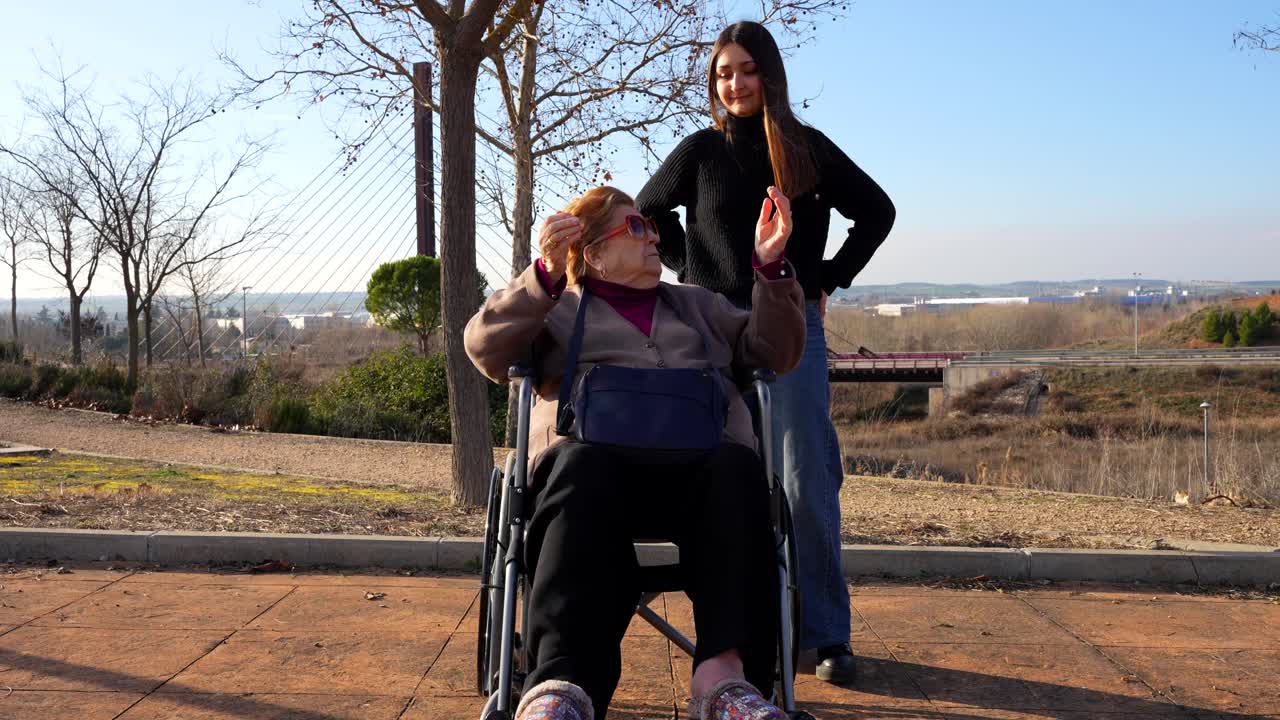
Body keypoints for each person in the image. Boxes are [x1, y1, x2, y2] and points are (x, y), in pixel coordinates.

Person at [464, 185, 806, 720]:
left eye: (652, 226)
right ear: (594, 252)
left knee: (739, 468)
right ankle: (559, 685)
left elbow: (776, 353)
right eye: (637, 228)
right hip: (595, 478)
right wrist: (545, 275)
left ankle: (725, 682)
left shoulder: (698, 305)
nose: (655, 237)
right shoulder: (558, 309)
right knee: (576, 465)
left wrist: (770, 268)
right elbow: (485, 348)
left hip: (698, 472)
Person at [636, 20, 896, 684]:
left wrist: (828, 279)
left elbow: (878, 212)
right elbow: (645, 216)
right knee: (725, 476)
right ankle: (739, 635)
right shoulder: (698, 152)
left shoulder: (805, 150)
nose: (735, 83)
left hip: (790, 330)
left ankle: (826, 635)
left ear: (770, 76)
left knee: (807, 481)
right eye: (724, 73)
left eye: (747, 70)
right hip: (713, 330)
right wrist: (685, 264)